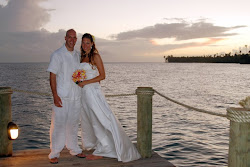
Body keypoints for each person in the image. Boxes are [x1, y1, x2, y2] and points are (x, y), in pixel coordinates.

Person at [78, 33, 141, 162]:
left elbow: (102, 76)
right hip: (84, 93)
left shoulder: (95, 56)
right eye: (83, 42)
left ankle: (106, 148)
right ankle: (100, 144)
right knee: (91, 119)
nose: (85, 45)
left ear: (92, 44)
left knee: (100, 119)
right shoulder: (82, 57)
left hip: (93, 92)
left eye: (87, 43)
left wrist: (85, 82)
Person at [47, 29, 86, 164]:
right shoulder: (57, 54)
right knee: (58, 125)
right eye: (70, 37)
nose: (72, 40)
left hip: (76, 96)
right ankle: (54, 153)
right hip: (62, 96)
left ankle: (74, 148)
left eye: (74, 38)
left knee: (73, 124)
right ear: (65, 38)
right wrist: (55, 95)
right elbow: (52, 76)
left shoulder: (77, 55)